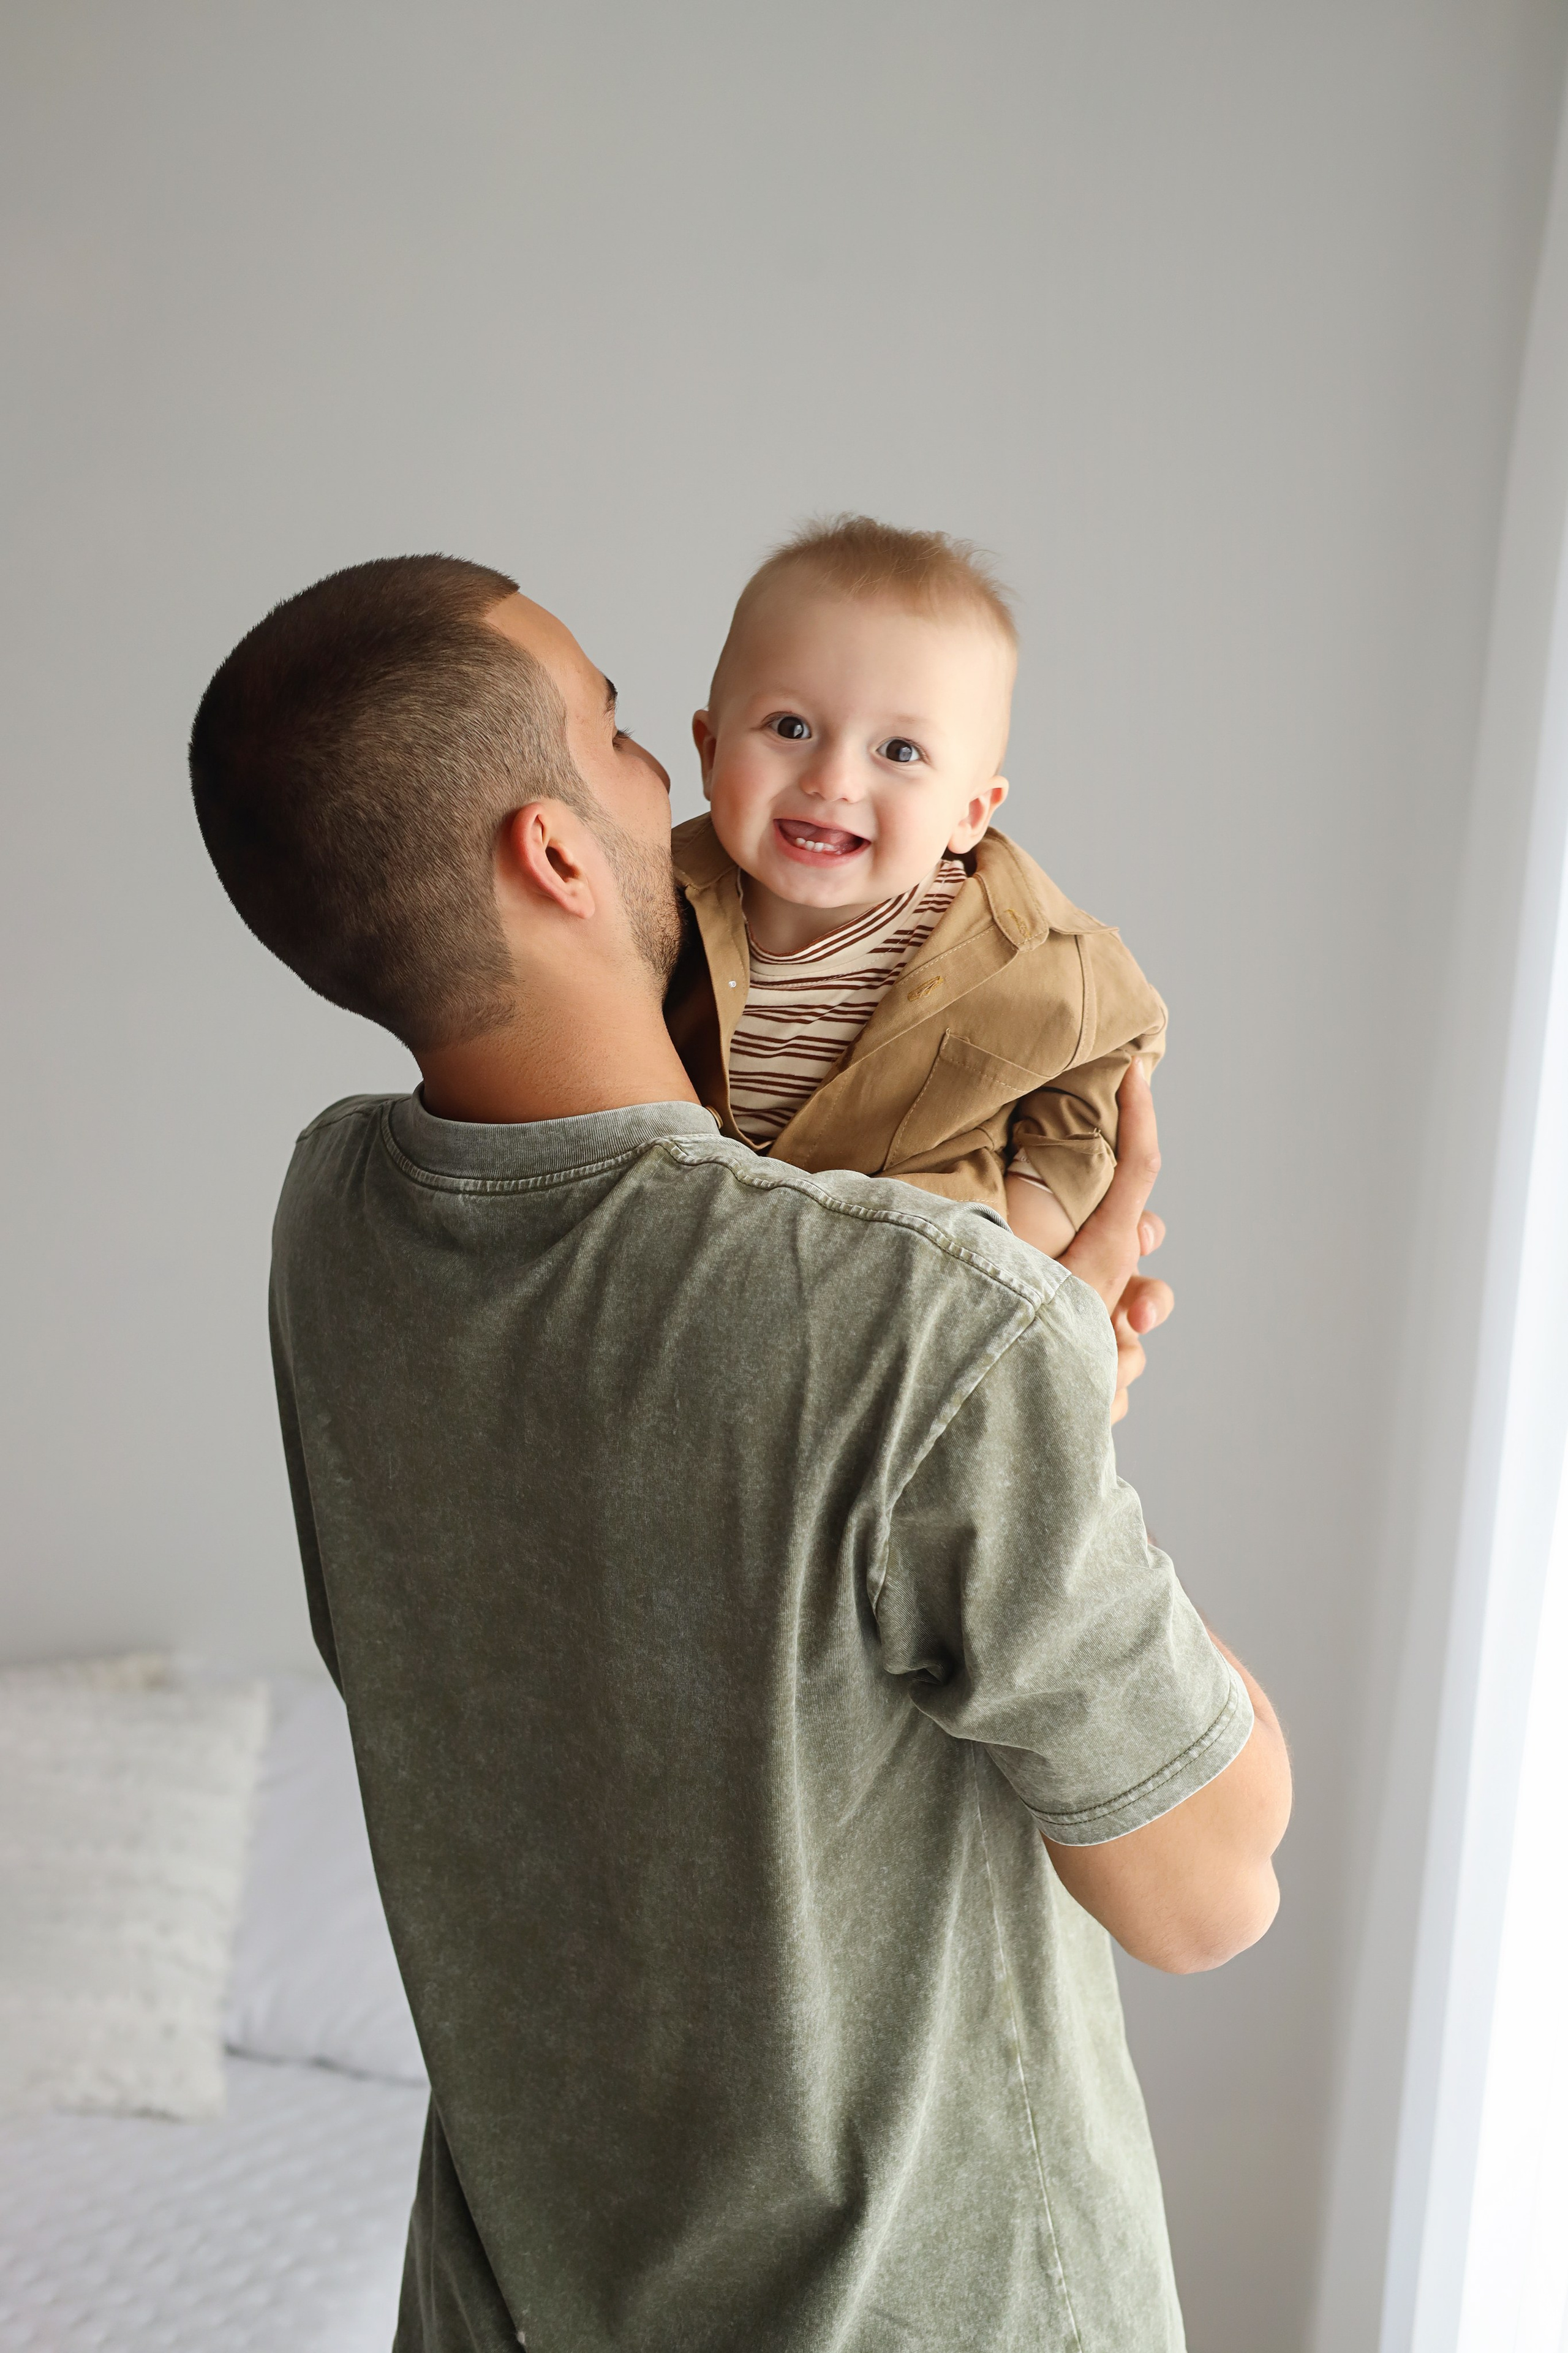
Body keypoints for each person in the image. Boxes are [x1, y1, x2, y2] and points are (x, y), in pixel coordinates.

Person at [190, 554, 1291, 2353]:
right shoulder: (921, 1320)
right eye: (620, 733)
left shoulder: (335, 1214)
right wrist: (1045, 1402)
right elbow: (1211, 1881)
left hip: (516, 2293)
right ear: (551, 852)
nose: (670, 783)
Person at [667, 515, 1166, 1266]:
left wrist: (1030, 1240)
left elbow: (1104, 1053)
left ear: (970, 813)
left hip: (912, 1284)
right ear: (710, 751)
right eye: (790, 726)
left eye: (898, 750)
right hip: (692, 1268)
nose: (831, 780)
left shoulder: (1023, 953)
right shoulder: (649, 898)